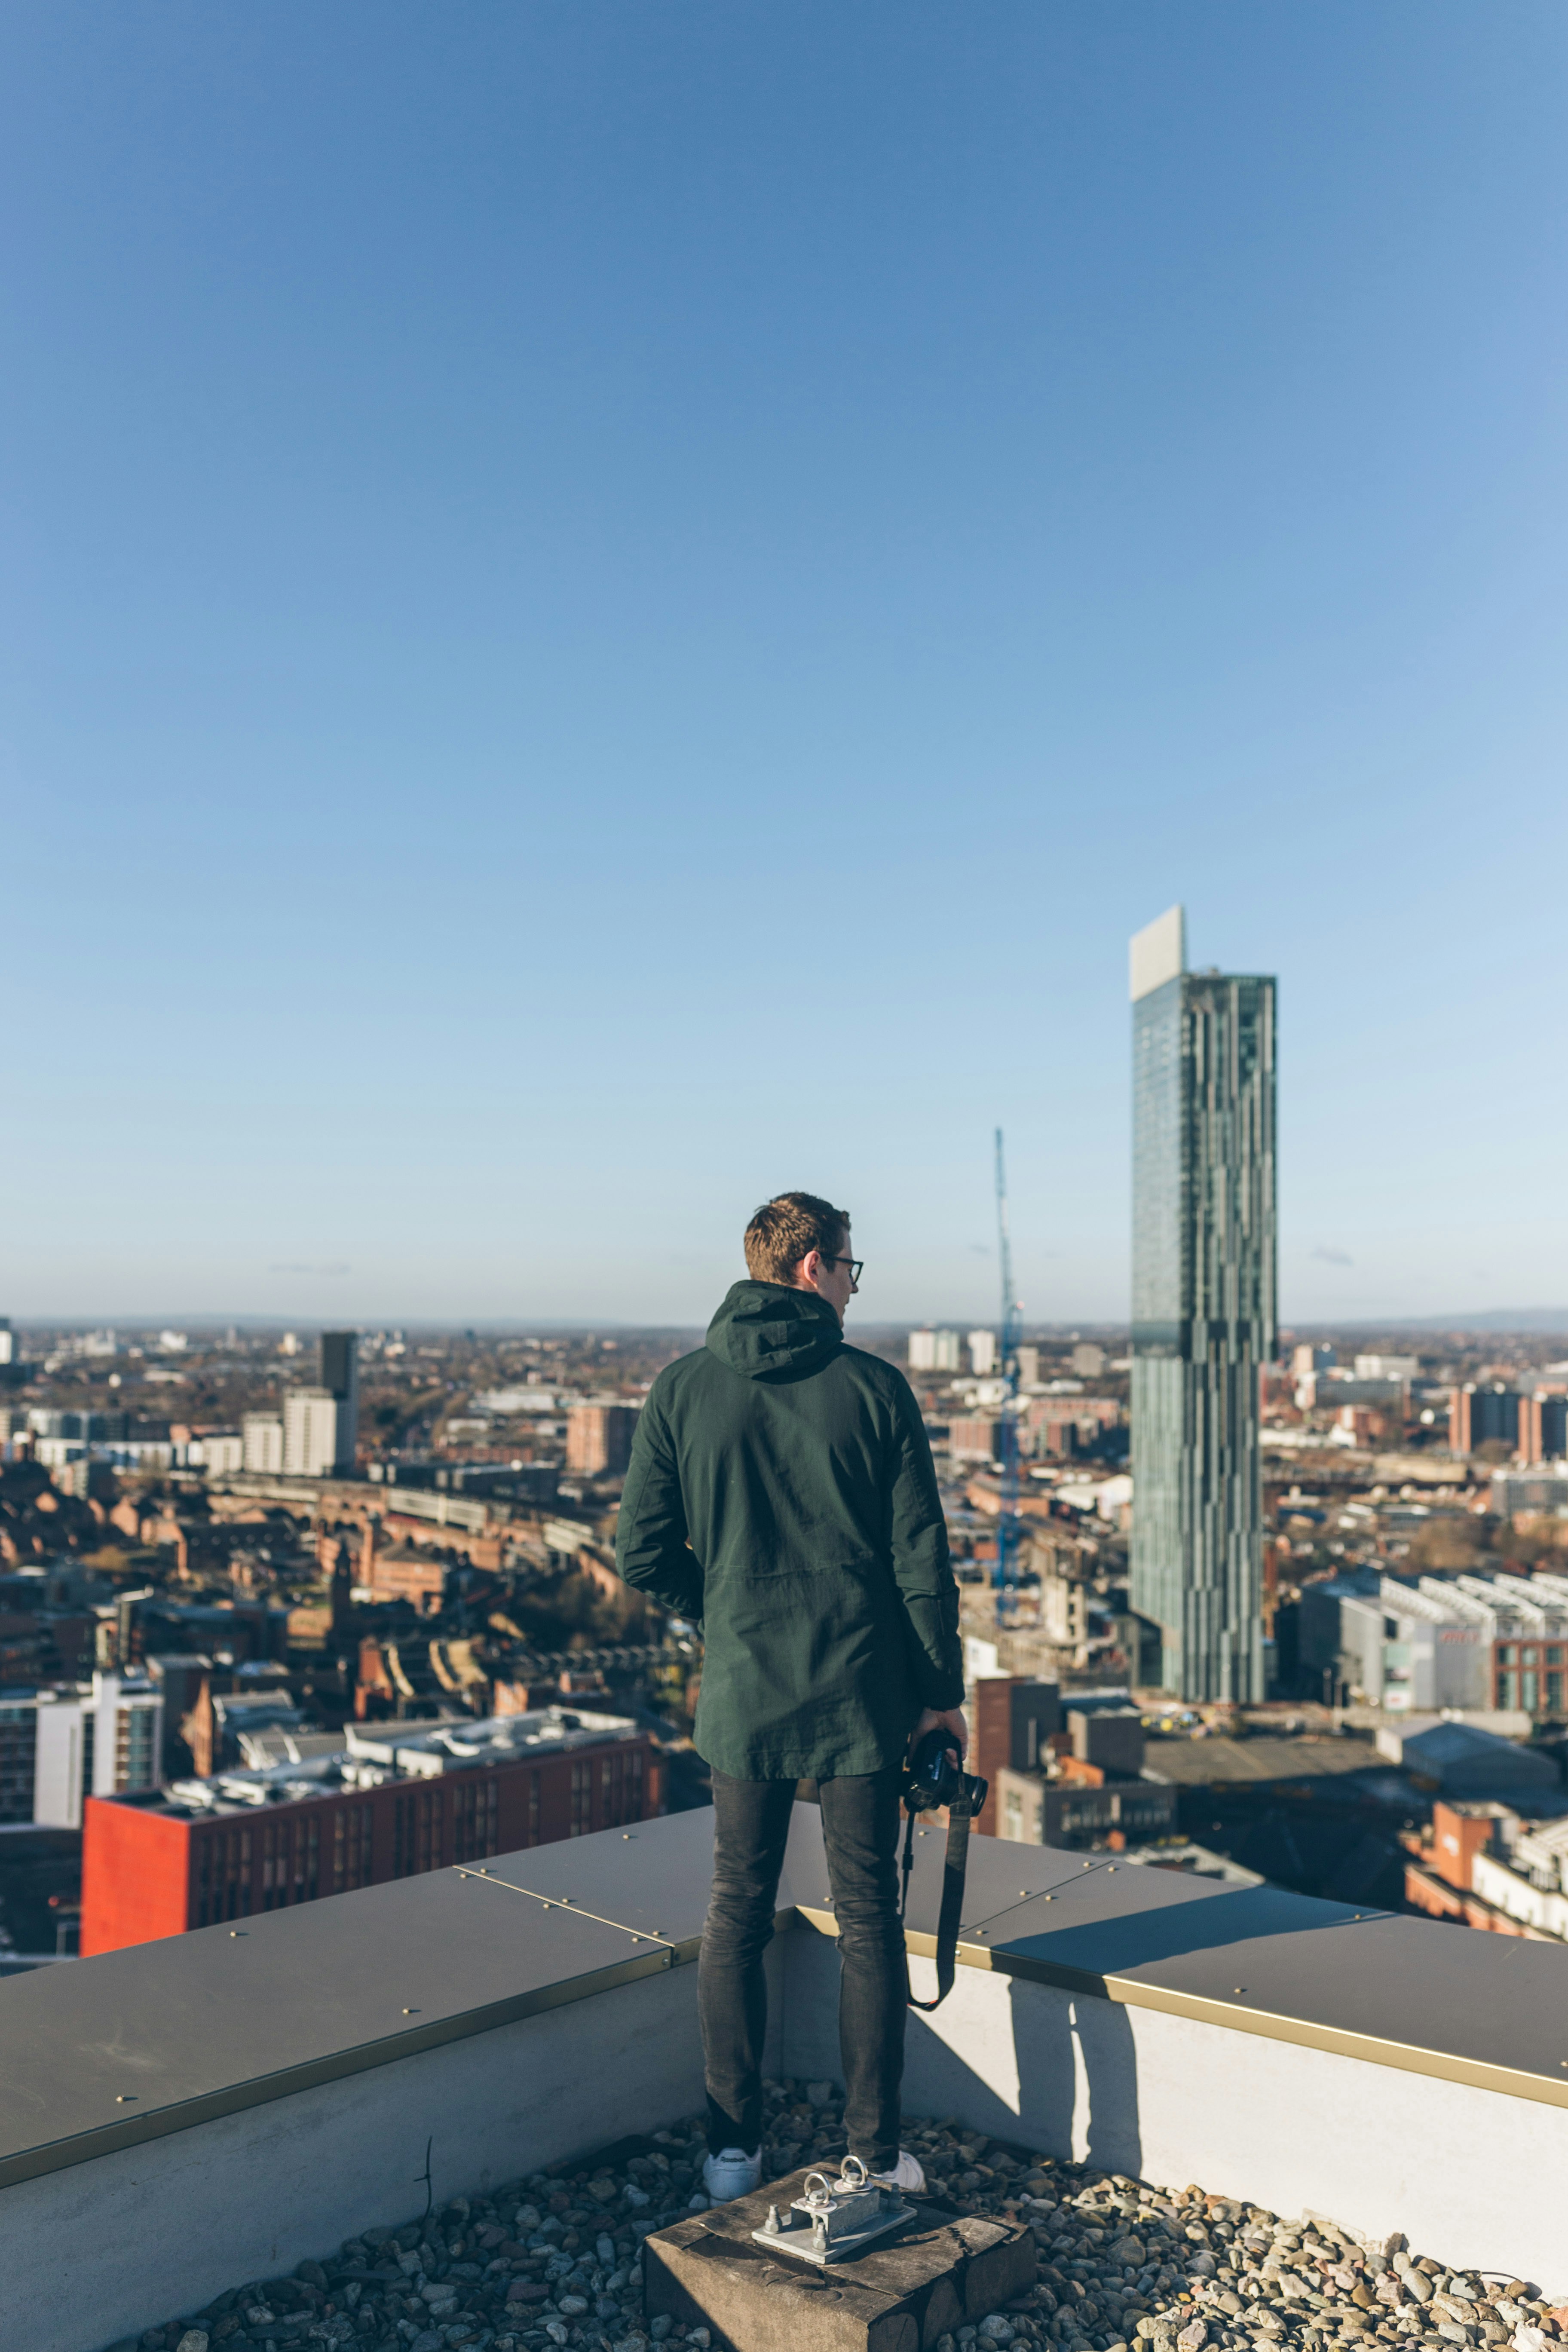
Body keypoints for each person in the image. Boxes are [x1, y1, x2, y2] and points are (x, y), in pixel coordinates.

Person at [615, 1190, 967, 2202]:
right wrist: (938, 1694)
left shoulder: (682, 1390)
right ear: (813, 1266)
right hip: (863, 1690)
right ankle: (874, 2151)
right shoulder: (874, 1390)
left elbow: (641, 1552)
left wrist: (721, 1613)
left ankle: (733, 2151)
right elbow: (922, 1564)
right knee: (868, 1918)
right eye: (854, 1267)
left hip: (741, 1691)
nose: (856, 1286)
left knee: (736, 1910)